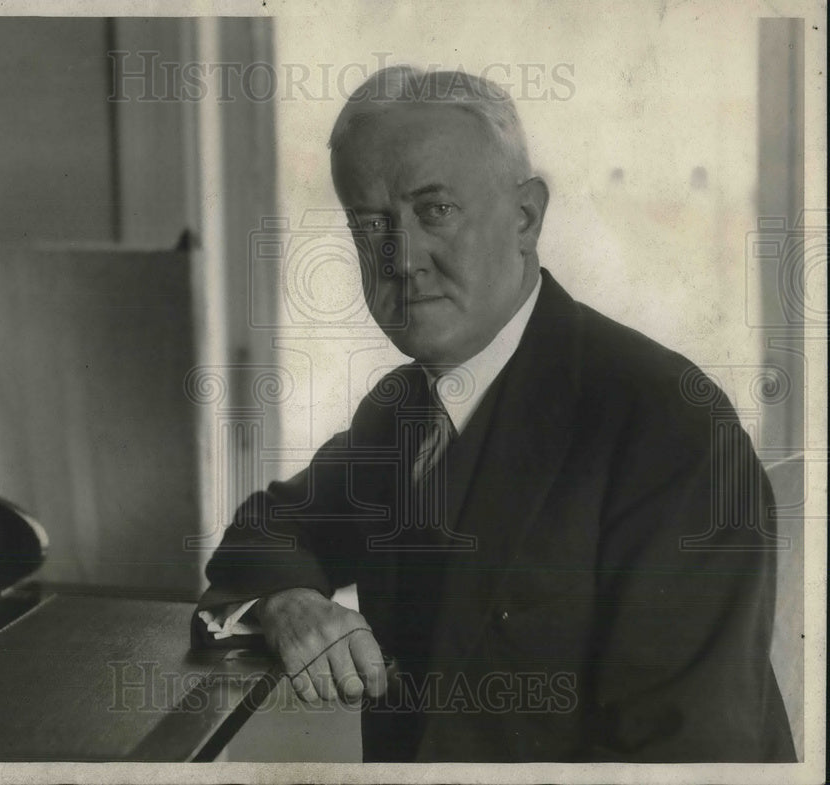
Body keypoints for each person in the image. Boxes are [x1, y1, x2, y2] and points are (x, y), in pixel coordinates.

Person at [193, 66, 795, 762]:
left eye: (434, 210)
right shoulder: (398, 413)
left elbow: (691, 756)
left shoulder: (670, 425)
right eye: (371, 224)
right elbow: (266, 529)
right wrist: (287, 602)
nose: (402, 259)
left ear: (526, 217)